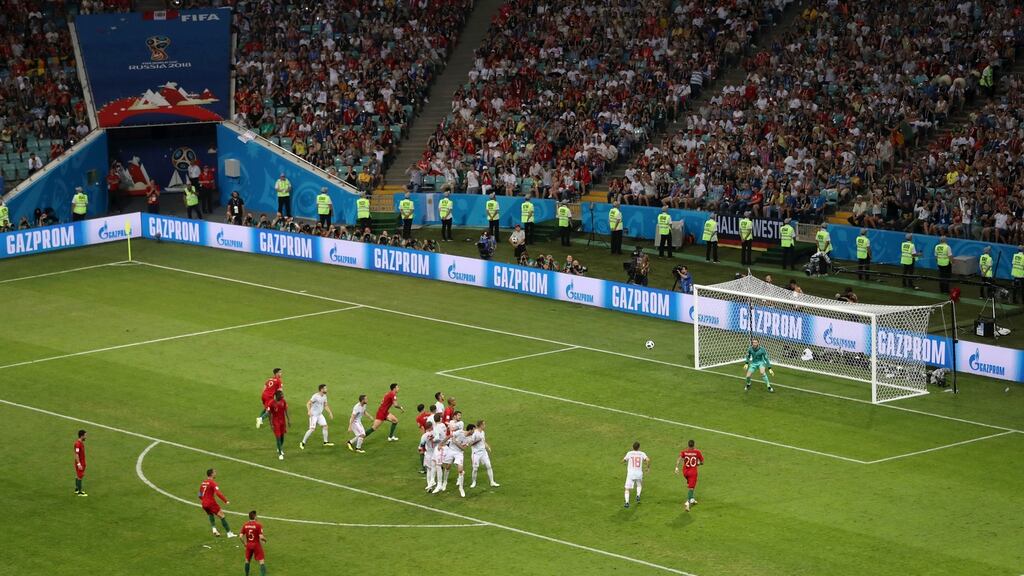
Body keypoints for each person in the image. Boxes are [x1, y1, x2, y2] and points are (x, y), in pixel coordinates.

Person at [198, 468, 235, 538]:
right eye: (214, 472)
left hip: (204, 503)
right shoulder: (212, 483)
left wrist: (204, 500)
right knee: (222, 516)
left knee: (210, 514)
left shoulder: (203, 482)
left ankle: (214, 529)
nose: (216, 473)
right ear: (211, 474)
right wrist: (225, 501)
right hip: (211, 503)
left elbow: (199, 495)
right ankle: (229, 533)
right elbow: (218, 493)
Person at [299, 384, 334, 450]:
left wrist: (330, 412)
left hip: (319, 415)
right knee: (312, 429)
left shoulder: (324, 396)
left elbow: (325, 405)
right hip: (313, 415)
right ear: (321, 389)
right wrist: (309, 411)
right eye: (325, 388)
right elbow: (308, 403)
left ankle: (325, 442)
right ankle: (302, 442)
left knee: (325, 426)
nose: (326, 389)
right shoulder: (315, 396)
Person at [674, 439, 704, 512]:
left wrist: (676, 467)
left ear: (688, 445)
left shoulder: (684, 452)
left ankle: (692, 499)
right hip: (693, 473)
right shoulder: (697, 452)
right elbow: (702, 462)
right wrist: (698, 464)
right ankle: (688, 503)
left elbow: (679, 459)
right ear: (694, 445)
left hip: (685, 472)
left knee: (691, 485)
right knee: (691, 488)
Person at [469, 419, 499, 489]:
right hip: (476, 453)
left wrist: (487, 446)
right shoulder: (475, 433)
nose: (485, 426)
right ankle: (473, 482)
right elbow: (470, 443)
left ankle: (492, 482)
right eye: (484, 424)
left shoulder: (482, 432)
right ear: (481, 425)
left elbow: (483, 441)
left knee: (489, 466)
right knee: (475, 468)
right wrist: (477, 440)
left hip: (483, 452)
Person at [622, 441, 650, 508]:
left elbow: (623, 460)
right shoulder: (642, 453)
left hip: (631, 474)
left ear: (632, 447)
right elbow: (648, 460)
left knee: (627, 489)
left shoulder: (629, 453)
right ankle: (638, 496)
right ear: (639, 447)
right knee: (639, 485)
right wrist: (647, 467)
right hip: (639, 473)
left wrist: (623, 461)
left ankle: (627, 502)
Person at [241, 510, 267, 576]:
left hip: (249, 545)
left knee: (247, 560)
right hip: (256, 545)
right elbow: (261, 537)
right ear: (254, 516)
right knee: (261, 561)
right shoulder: (258, 525)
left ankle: (247, 574)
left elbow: (240, 536)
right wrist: (265, 539)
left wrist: (244, 543)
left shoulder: (245, 525)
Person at [268, 390, 290, 460]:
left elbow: (285, 410)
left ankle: (279, 447)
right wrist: (271, 424)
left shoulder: (283, 401)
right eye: (281, 395)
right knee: (278, 437)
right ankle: (280, 454)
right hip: (276, 422)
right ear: (277, 396)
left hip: (282, 422)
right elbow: (269, 414)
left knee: (282, 437)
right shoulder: (271, 403)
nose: (282, 396)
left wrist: (288, 420)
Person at [420, 419, 440, 491]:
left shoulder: (424, 436)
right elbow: (439, 440)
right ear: (431, 426)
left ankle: (429, 485)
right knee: (434, 468)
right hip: (436, 452)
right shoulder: (435, 433)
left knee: (429, 469)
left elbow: (421, 445)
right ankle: (432, 481)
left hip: (428, 453)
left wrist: (423, 450)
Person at [73, 429, 87, 496]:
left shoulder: (80, 443)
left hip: (81, 462)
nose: (86, 437)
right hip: (80, 463)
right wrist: (79, 464)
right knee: (80, 477)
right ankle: (80, 492)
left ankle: (76, 489)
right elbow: (76, 454)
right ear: (82, 436)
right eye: (85, 435)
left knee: (78, 475)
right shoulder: (78, 444)